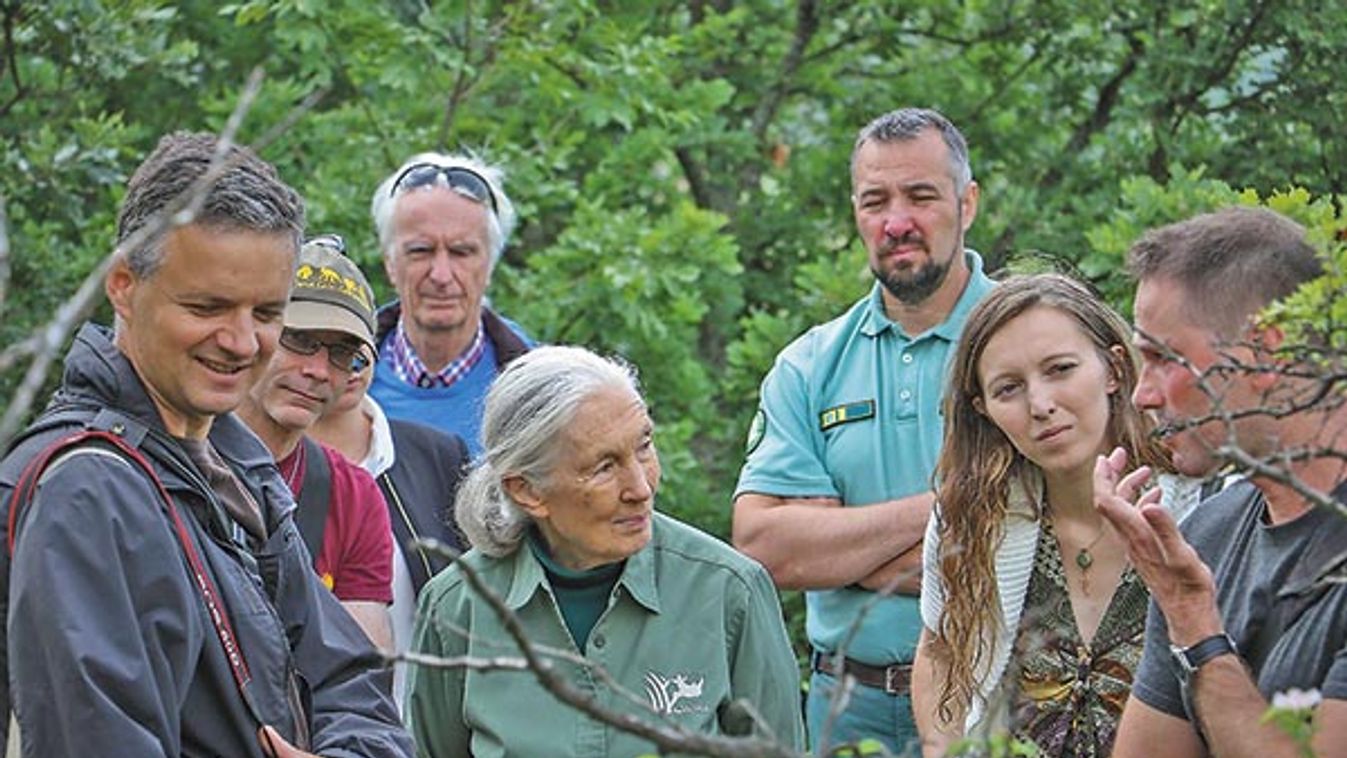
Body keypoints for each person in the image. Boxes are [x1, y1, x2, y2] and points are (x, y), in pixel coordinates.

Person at [0, 132, 412, 757]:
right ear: (123, 285)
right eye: (207, 306)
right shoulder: (84, 489)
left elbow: (353, 682)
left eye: (269, 314)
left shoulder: (237, 465)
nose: (242, 342)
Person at [732, 107, 994, 752]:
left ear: (968, 203)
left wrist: (845, 554)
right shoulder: (811, 364)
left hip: (1000, 700)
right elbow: (767, 547)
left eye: (921, 197)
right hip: (846, 711)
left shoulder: (1027, 344)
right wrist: (951, 509)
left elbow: (1041, 544)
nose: (896, 222)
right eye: (875, 200)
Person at [406, 345, 805, 757]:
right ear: (526, 491)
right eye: (604, 466)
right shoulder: (455, 608)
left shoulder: (728, 591)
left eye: (644, 446)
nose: (641, 488)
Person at [911, 274, 1202, 756]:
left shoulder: (1197, 503)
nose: (1041, 405)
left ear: (1112, 369)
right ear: (982, 409)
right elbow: (940, 650)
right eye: (1008, 389)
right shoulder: (972, 519)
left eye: (1061, 369)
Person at [1096, 206, 1347, 757]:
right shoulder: (1208, 531)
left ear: (1266, 350)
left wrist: (1194, 623)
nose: (1142, 395)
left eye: (1163, 357)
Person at [236, 234, 395, 650]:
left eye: (343, 354)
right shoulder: (167, 466)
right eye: (301, 340)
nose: (319, 370)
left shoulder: (353, 497)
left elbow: (362, 681)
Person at [310, 324, 470, 709]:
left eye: (356, 343)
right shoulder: (254, 467)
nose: (350, 363)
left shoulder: (437, 452)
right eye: (315, 343)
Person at [367, 151, 533, 455]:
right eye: (421, 250)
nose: (441, 275)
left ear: (490, 264)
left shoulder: (539, 386)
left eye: (461, 252)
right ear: (390, 262)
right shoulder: (337, 379)